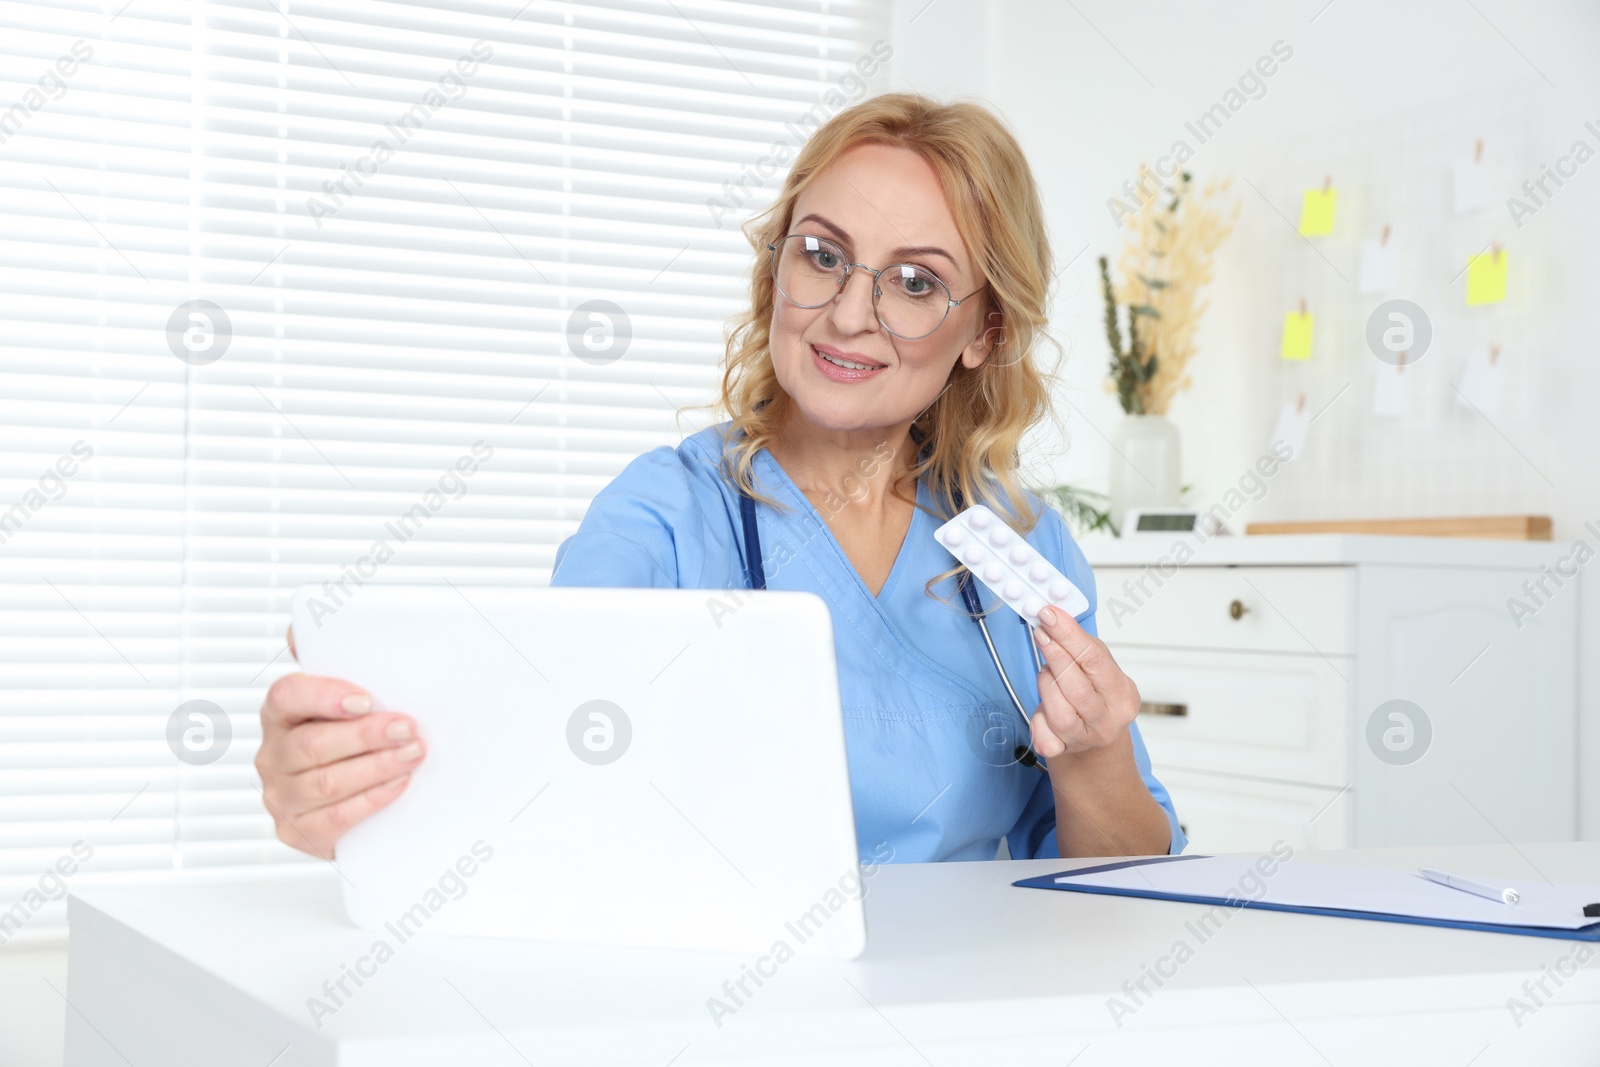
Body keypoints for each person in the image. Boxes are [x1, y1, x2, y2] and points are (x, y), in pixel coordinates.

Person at [255, 93, 1185, 864]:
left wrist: (1096, 756)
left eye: (913, 281)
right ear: (775, 266)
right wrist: (350, 794)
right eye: (822, 254)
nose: (849, 313)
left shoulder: (1021, 542)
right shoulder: (663, 518)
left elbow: (1121, 887)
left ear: (985, 332)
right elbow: (531, 767)